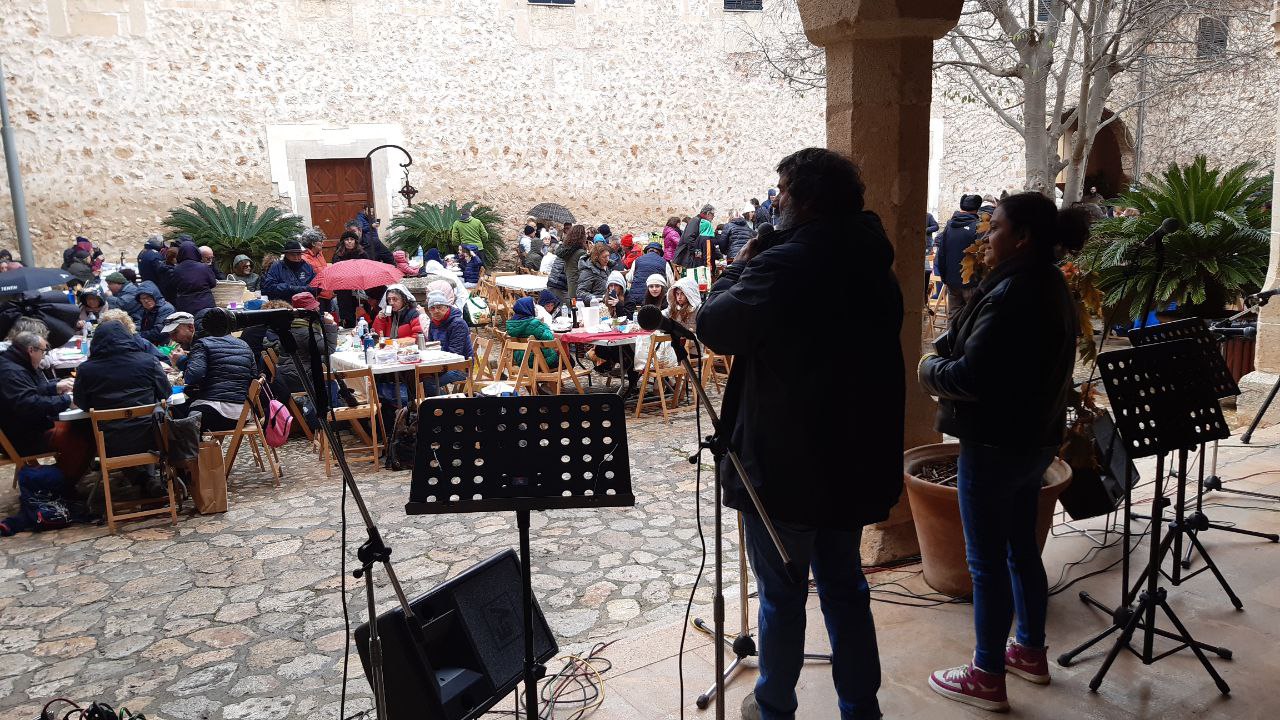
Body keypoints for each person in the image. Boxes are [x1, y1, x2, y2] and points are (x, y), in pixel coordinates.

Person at [697, 147, 904, 720]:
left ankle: (773, 709)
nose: (776, 200)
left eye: (783, 190)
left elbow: (714, 324)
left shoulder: (784, 263)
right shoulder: (874, 261)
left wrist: (745, 259)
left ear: (807, 199)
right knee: (845, 589)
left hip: (788, 468)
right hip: (853, 461)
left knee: (783, 597)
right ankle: (862, 708)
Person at [918, 193, 1085, 713]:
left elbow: (970, 375)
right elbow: (976, 348)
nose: (986, 236)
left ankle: (987, 673)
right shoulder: (1047, 283)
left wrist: (928, 370)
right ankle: (1029, 651)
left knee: (986, 564)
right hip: (1034, 441)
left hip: (995, 445)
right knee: (1019, 552)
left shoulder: (1012, 294)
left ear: (1023, 237)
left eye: (996, 228)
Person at [72, 319, 171, 496]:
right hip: (151, 436)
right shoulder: (148, 362)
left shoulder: (86, 370)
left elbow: (82, 403)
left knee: (90, 429)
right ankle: (147, 479)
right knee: (147, 423)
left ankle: (142, 479)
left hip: (109, 441)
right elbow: (165, 392)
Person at [182, 308, 258, 432]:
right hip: (242, 414)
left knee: (177, 416)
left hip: (215, 413)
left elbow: (193, 376)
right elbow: (253, 376)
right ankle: (208, 450)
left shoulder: (202, 344)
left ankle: (196, 451)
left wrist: (183, 362)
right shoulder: (244, 345)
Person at [933, 194, 983, 318]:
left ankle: (952, 338)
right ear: (977, 209)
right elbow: (982, 257)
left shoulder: (949, 226)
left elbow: (941, 254)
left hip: (952, 282)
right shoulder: (978, 227)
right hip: (972, 283)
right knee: (971, 321)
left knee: (953, 318)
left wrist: (945, 278)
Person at [423, 293, 472, 396]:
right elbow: (431, 346)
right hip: (440, 364)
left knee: (427, 383)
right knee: (416, 377)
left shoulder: (458, 324)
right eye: (432, 308)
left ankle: (448, 405)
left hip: (460, 366)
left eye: (439, 307)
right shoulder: (434, 323)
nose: (436, 311)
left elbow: (455, 353)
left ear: (447, 307)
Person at [505, 296, 559, 370]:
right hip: (539, 361)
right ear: (527, 308)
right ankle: (552, 380)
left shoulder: (512, 325)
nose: (536, 309)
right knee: (568, 359)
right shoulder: (534, 324)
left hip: (521, 360)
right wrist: (543, 325)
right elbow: (550, 338)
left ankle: (543, 380)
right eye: (533, 307)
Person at [168, 241, 218, 314]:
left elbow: (173, 286)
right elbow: (213, 283)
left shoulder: (177, 269)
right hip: (205, 304)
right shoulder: (203, 267)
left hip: (185, 305)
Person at [548, 225, 587, 303]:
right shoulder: (578, 252)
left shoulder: (565, 248)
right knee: (571, 309)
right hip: (561, 284)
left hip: (553, 281)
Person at [666, 275, 702, 358]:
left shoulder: (698, 309)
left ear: (690, 294)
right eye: (677, 294)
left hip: (694, 348)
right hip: (678, 347)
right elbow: (662, 314)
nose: (679, 297)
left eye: (682, 294)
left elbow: (703, 333)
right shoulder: (673, 307)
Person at [674, 204, 716, 269]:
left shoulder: (700, 221)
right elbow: (689, 239)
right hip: (688, 256)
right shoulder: (695, 220)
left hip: (692, 256)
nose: (713, 216)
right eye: (712, 214)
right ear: (708, 213)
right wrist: (698, 254)